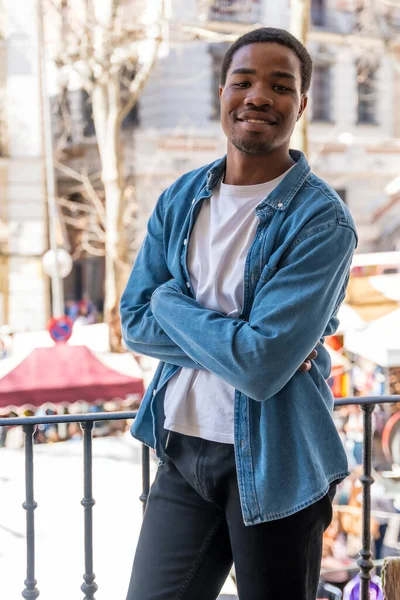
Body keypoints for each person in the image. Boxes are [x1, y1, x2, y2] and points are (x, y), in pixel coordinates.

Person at [120, 27, 357, 600]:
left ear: (300, 105)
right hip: (181, 447)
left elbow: (259, 363)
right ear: (221, 93)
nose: (258, 96)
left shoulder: (320, 220)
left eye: (281, 85)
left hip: (279, 462)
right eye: (244, 81)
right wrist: (247, 343)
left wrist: (170, 301)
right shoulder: (181, 197)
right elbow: (132, 319)